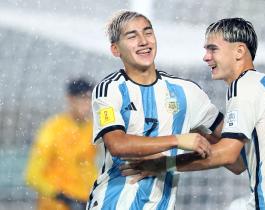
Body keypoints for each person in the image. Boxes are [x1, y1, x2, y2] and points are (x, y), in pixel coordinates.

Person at [120, 18, 265, 210]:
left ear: (239, 51)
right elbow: (238, 164)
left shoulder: (244, 87)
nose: (206, 57)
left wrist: (163, 164)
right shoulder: (264, 86)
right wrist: (196, 128)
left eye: (213, 49)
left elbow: (227, 154)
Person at [86, 10, 225, 210]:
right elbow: (117, 144)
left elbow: (233, 154)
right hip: (113, 203)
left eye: (148, 33)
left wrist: (170, 162)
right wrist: (178, 139)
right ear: (115, 49)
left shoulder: (187, 93)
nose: (143, 41)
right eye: (132, 36)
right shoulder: (109, 89)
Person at [25, 78, 98, 210]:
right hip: (55, 205)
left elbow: (89, 167)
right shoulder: (52, 129)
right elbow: (33, 175)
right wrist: (62, 196)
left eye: (89, 100)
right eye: (82, 99)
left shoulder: (92, 130)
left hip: (83, 203)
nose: (87, 105)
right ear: (70, 99)